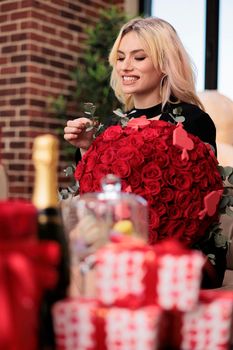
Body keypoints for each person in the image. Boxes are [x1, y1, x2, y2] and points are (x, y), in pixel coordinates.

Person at [64, 17, 226, 288]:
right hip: (122, 250)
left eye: (139, 58)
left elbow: (198, 197)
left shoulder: (193, 120)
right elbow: (99, 193)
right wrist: (87, 149)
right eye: (121, 57)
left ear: (165, 64)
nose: (125, 66)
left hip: (178, 255)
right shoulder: (115, 124)